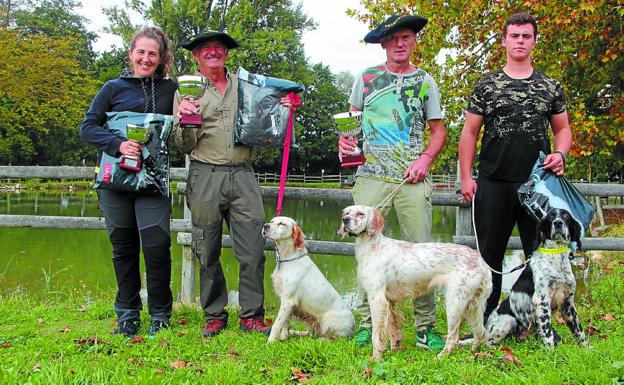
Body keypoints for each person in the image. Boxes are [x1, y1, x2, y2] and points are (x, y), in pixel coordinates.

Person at [338, 14, 447, 350]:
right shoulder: (366, 78)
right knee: (366, 254)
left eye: (407, 38)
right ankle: (367, 324)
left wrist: (425, 159)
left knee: (422, 255)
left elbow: (439, 131)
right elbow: (350, 122)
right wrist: (344, 142)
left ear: (414, 42)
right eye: (394, 38)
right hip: (370, 177)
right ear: (384, 43)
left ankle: (425, 328)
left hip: (410, 181)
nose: (401, 44)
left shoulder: (426, 81)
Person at [173, 31, 292, 337]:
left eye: (218, 48)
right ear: (196, 56)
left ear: (226, 54)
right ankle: (214, 314)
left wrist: (287, 106)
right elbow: (181, 144)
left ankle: (252, 315)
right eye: (205, 49)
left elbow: (269, 121)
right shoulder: (185, 90)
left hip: (243, 174)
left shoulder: (248, 86)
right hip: (204, 174)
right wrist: (187, 120)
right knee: (206, 247)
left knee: (253, 248)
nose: (212, 52)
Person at [458, 12, 572, 321]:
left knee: (541, 257)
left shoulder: (550, 86)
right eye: (514, 35)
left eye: (526, 36)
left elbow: (563, 130)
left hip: (537, 186)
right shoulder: (487, 85)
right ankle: (484, 323)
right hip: (493, 183)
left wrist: (560, 155)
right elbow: (469, 133)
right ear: (505, 41)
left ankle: (527, 319)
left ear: (534, 41)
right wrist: (467, 177)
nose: (520, 41)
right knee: (489, 259)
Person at [80, 26, 178, 337]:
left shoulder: (170, 90)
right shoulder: (112, 88)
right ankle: (127, 314)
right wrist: (118, 144)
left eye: (153, 53)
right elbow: (87, 128)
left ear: (161, 58)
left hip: (152, 182)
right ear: (131, 54)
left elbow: (186, 127)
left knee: (157, 247)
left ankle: (160, 314)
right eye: (141, 52)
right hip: (116, 182)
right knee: (122, 248)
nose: (146, 58)